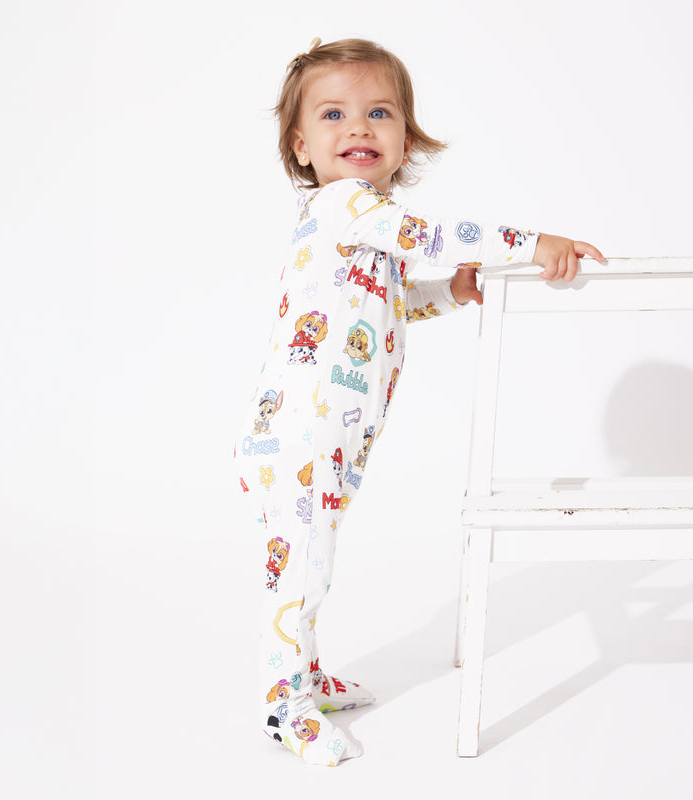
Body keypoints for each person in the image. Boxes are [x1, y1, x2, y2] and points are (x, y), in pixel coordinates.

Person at [233, 37, 604, 766]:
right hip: (300, 435)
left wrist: (454, 293)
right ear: (302, 147)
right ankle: (285, 706)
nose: (359, 127)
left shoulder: (364, 228)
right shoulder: (346, 204)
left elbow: (393, 306)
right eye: (333, 115)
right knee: (300, 571)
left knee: (311, 565)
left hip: (326, 438)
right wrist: (531, 243)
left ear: (406, 137)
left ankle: (305, 674)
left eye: (380, 112)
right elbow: (433, 236)